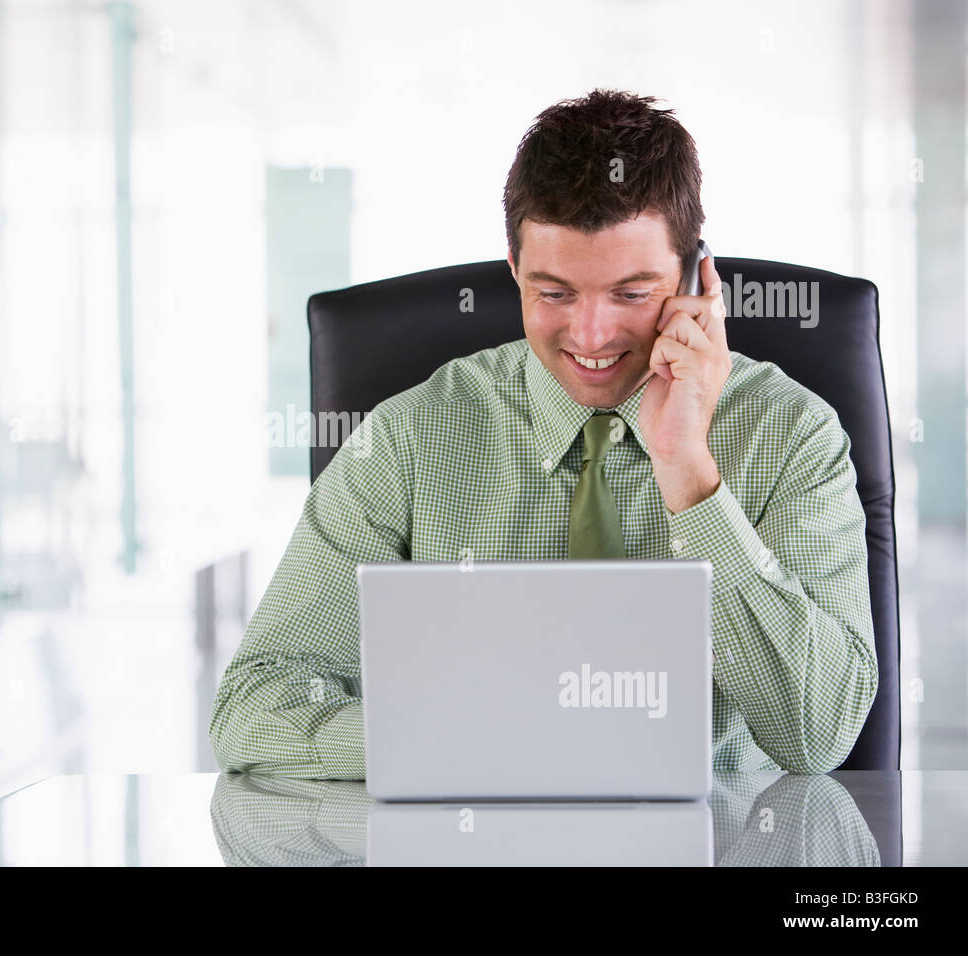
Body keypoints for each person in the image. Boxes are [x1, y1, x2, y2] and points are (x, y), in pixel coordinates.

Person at [210, 88, 877, 779]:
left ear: (694, 277)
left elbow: (818, 734)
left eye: (631, 293)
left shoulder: (793, 434)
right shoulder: (407, 440)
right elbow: (253, 705)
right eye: (553, 293)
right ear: (513, 271)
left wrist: (690, 475)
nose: (590, 336)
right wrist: (468, 747)